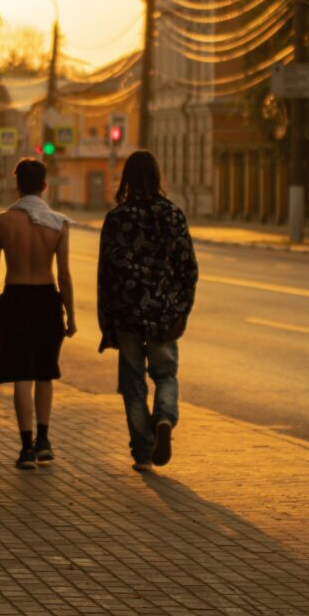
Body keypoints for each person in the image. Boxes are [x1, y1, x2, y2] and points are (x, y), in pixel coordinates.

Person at [97, 150, 198, 472]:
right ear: (157, 177)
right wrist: (182, 310)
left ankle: (142, 452)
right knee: (165, 375)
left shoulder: (117, 218)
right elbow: (188, 270)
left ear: (126, 178)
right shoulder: (173, 215)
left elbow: (106, 274)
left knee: (133, 383)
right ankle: (165, 418)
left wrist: (107, 322)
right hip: (163, 313)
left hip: (127, 314)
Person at [0, 158, 76, 470]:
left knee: (21, 375)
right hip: (47, 300)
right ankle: (45, 441)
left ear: (17, 185)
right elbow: (63, 275)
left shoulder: (1, 222)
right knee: (45, 372)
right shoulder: (58, 223)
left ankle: (26, 448)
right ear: (45, 186)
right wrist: (71, 314)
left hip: (15, 297)